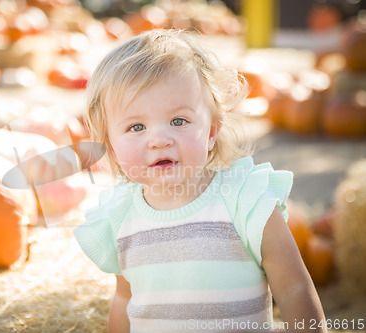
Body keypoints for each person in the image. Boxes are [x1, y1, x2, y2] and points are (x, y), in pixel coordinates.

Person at [73, 29, 326, 332]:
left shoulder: (244, 202)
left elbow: (293, 288)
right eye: (136, 126)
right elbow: (124, 299)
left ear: (210, 132)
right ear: (110, 146)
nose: (159, 140)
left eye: (178, 121)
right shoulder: (119, 216)